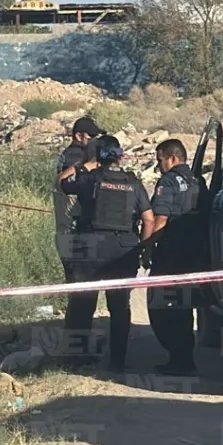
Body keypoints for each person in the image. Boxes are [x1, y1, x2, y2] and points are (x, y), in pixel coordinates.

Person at [59, 135, 154, 373]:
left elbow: (61, 183)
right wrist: (143, 250)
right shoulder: (133, 183)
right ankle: (117, 362)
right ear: (119, 156)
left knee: (82, 304)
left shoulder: (89, 179)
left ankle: (76, 361)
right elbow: (148, 218)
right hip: (123, 249)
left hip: (90, 247)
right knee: (119, 307)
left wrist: (83, 164)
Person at [146, 139, 210, 375]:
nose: (158, 165)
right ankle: (184, 358)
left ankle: (178, 357)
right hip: (193, 254)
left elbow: (161, 219)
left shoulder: (168, 181)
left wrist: (148, 247)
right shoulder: (198, 180)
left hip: (170, 255)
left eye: (160, 159)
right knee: (183, 306)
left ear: (172, 158)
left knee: (161, 306)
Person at [54, 116, 103, 362]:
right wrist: (91, 166)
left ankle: (77, 348)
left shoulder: (74, 157)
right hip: (73, 234)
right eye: (91, 137)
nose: (95, 141)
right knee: (82, 296)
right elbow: (71, 184)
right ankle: (76, 352)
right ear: (79, 136)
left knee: (81, 295)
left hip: (69, 232)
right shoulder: (75, 158)